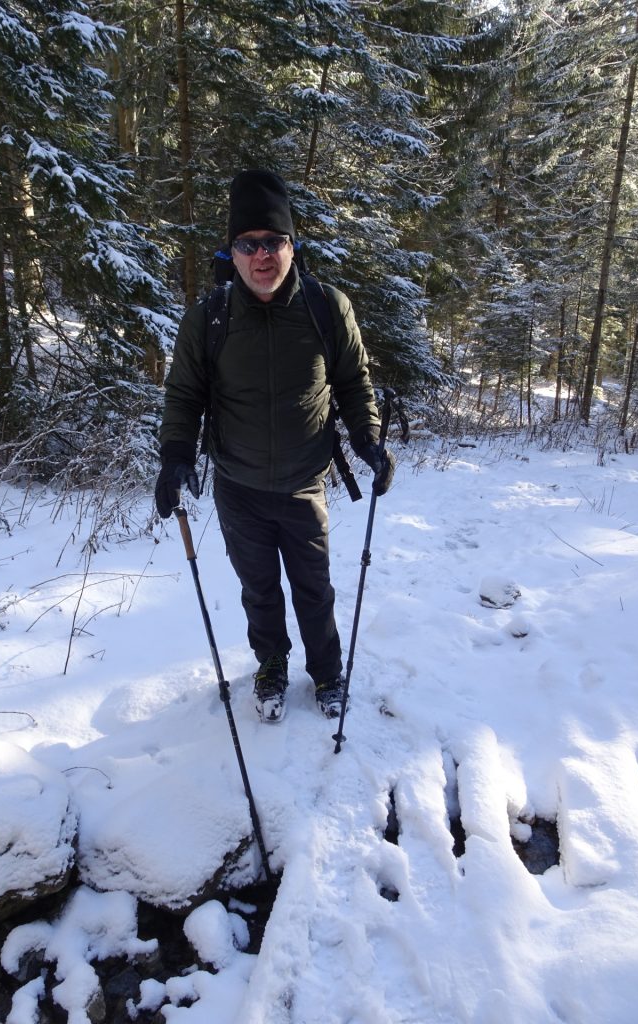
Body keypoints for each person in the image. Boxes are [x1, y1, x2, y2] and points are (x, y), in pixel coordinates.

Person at [156, 169, 394, 723]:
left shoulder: (326, 307)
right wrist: (174, 457)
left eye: (273, 242)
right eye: (248, 244)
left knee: (314, 587)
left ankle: (328, 671)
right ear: (233, 252)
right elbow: (184, 394)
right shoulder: (208, 319)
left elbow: (354, 381)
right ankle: (270, 665)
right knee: (258, 588)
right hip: (237, 486)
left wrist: (368, 438)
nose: (261, 255)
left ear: (292, 245)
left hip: (304, 478)